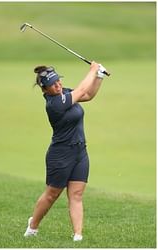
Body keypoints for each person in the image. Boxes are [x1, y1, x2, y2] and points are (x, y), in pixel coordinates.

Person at [24, 62, 106, 242]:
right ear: (45, 90)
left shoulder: (63, 93)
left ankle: (78, 235)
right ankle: (33, 226)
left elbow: (88, 94)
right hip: (60, 155)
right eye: (53, 84)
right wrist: (92, 70)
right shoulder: (54, 104)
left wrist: (99, 76)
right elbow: (82, 88)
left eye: (58, 81)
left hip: (80, 152)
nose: (58, 85)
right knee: (52, 194)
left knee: (76, 194)